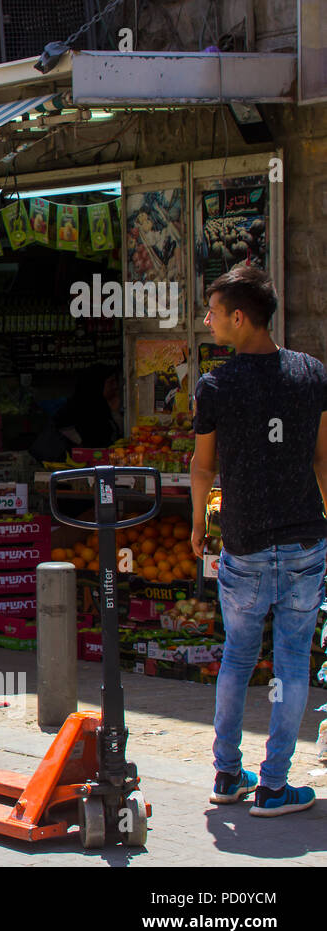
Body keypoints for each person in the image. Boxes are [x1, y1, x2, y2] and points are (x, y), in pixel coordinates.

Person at [190, 264, 327, 818]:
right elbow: (323, 459)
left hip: (243, 544)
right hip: (303, 542)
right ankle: (273, 785)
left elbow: (202, 468)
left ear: (239, 318)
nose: (207, 320)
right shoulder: (312, 374)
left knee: (237, 659)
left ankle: (227, 774)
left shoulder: (216, 385)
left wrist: (198, 523)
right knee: (293, 661)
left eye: (214, 311)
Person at [55, 366, 122, 449]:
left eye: (116, 382)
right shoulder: (75, 410)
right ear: (97, 384)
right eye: (111, 382)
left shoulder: (103, 407)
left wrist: (115, 412)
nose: (115, 386)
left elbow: (118, 438)